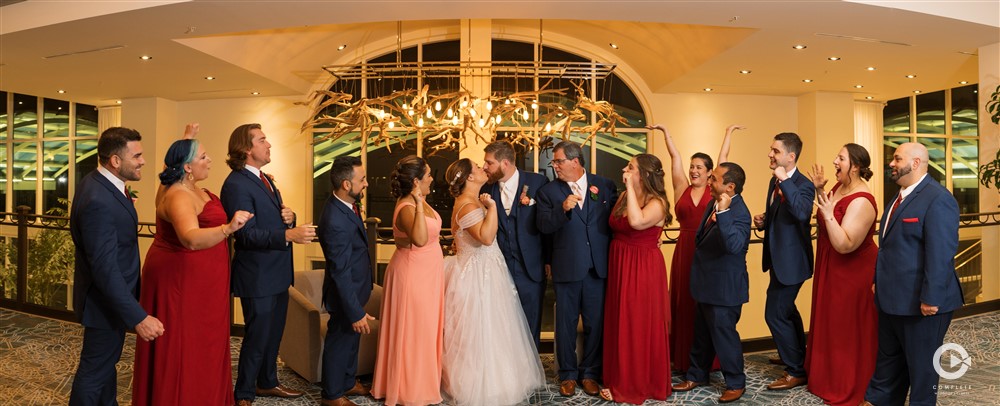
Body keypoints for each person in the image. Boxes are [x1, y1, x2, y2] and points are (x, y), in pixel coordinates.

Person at [132, 124, 253, 406]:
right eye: (203, 157)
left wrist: (186, 141)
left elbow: (170, 165)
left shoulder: (195, 189)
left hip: (205, 284)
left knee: (206, 346)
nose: (210, 160)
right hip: (182, 283)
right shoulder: (176, 195)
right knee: (186, 348)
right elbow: (190, 239)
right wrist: (228, 228)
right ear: (187, 167)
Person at [862, 142, 963, 406]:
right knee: (888, 366)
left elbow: (941, 253)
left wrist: (930, 298)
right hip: (891, 300)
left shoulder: (939, 199)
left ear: (916, 163)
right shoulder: (899, 197)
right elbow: (889, 248)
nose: (891, 164)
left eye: (897, 159)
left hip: (924, 305)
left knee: (922, 373)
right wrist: (878, 282)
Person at [221, 123, 316, 405]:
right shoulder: (236, 183)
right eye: (262, 140)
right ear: (246, 149)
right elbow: (245, 235)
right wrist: (289, 234)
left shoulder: (265, 179)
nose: (269, 144)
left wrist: (290, 216)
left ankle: (267, 382)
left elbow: (268, 220)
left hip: (276, 273)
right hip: (257, 275)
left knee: (273, 334)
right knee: (257, 336)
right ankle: (245, 393)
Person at [69, 127, 164, 406]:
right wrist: (137, 316)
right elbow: (105, 268)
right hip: (104, 303)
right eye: (137, 155)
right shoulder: (98, 199)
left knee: (104, 369)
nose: (143, 161)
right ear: (114, 161)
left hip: (109, 302)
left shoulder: (100, 184)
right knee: (93, 372)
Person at [441, 158, 546, 405]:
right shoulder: (467, 206)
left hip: (488, 271)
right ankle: (481, 386)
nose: (482, 169)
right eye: (477, 168)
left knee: (497, 330)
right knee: (481, 332)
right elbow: (486, 238)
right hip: (477, 277)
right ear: (468, 177)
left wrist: (488, 207)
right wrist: (494, 209)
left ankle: (503, 377)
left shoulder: (476, 200)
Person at [647, 123, 742, 373]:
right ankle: (683, 359)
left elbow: (724, 161)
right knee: (683, 302)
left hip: (707, 251)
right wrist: (666, 133)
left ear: (710, 173)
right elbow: (674, 157)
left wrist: (728, 133)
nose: (693, 170)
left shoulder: (716, 192)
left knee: (705, 305)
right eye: (692, 167)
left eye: (699, 167)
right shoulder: (682, 188)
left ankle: (708, 361)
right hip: (684, 250)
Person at [536, 140, 618, 398]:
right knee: (566, 324)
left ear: (575, 161)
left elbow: (618, 219)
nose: (555, 166)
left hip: (597, 266)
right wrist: (562, 210)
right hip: (567, 266)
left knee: (596, 323)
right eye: (554, 162)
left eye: (558, 161)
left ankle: (590, 373)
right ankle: (568, 375)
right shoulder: (548, 192)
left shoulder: (604, 185)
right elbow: (543, 227)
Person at [803, 143, 879, 406]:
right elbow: (829, 209)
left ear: (855, 166)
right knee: (831, 323)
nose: (835, 161)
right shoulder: (838, 187)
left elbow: (845, 244)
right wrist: (820, 189)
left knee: (846, 328)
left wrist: (827, 215)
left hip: (852, 271)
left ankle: (848, 384)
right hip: (830, 264)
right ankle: (828, 378)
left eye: (841, 158)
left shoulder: (862, 200)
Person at [672, 162, 751, 404]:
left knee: (724, 337)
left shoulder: (739, 212)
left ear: (730, 186)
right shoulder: (711, 203)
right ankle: (697, 374)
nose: (709, 181)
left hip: (725, 289)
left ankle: (736, 383)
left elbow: (734, 246)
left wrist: (725, 214)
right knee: (702, 334)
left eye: (714, 178)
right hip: (706, 284)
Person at [371, 155, 445, 406]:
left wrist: (421, 201)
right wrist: (417, 201)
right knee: (415, 331)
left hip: (427, 275)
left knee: (425, 329)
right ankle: (409, 389)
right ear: (416, 181)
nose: (432, 178)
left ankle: (423, 383)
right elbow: (421, 239)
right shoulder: (406, 207)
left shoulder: (419, 202)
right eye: (428, 175)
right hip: (412, 275)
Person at [600, 154, 673, 404]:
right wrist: (628, 189)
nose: (624, 169)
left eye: (630, 167)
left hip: (642, 267)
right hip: (621, 262)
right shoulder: (623, 196)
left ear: (643, 174)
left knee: (637, 322)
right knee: (620, 319)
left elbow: (637, 221)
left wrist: (629, 187)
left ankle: (635, 383)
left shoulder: (658, 202)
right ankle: (618, 375)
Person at [753, 132, 814, 390]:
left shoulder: (802, 183)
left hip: (793, 262)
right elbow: (784, 214)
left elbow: (801, 212)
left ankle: (796, 370)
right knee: (787, 310)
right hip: (778, 260)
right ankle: (797, 354)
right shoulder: (774, 181)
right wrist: (766, 219)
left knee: (775, 314)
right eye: (771, 150)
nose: (770, 154)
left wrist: (784, 180)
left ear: (791, 156)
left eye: (775, 151)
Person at [480, 141, 550, 348]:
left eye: (488, 163)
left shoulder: (538, 183)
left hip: (532, 265)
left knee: (530, 321)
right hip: (499, 266)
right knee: (501, 322)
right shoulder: (486, 189)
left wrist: (549, 260)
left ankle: (531, 375)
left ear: (505, 163)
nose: (484, 167)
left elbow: (548, 226)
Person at [317, 156, 375, 406]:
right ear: (346, 185)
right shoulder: (334, 219)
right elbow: (340, 271)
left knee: (352, 340)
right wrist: (354, 312)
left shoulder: (349, 205)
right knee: (339, 341)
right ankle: (331, 395)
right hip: (344, 293)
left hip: (356, 289)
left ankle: (348, 382)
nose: (366, 184)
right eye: (361, 180)